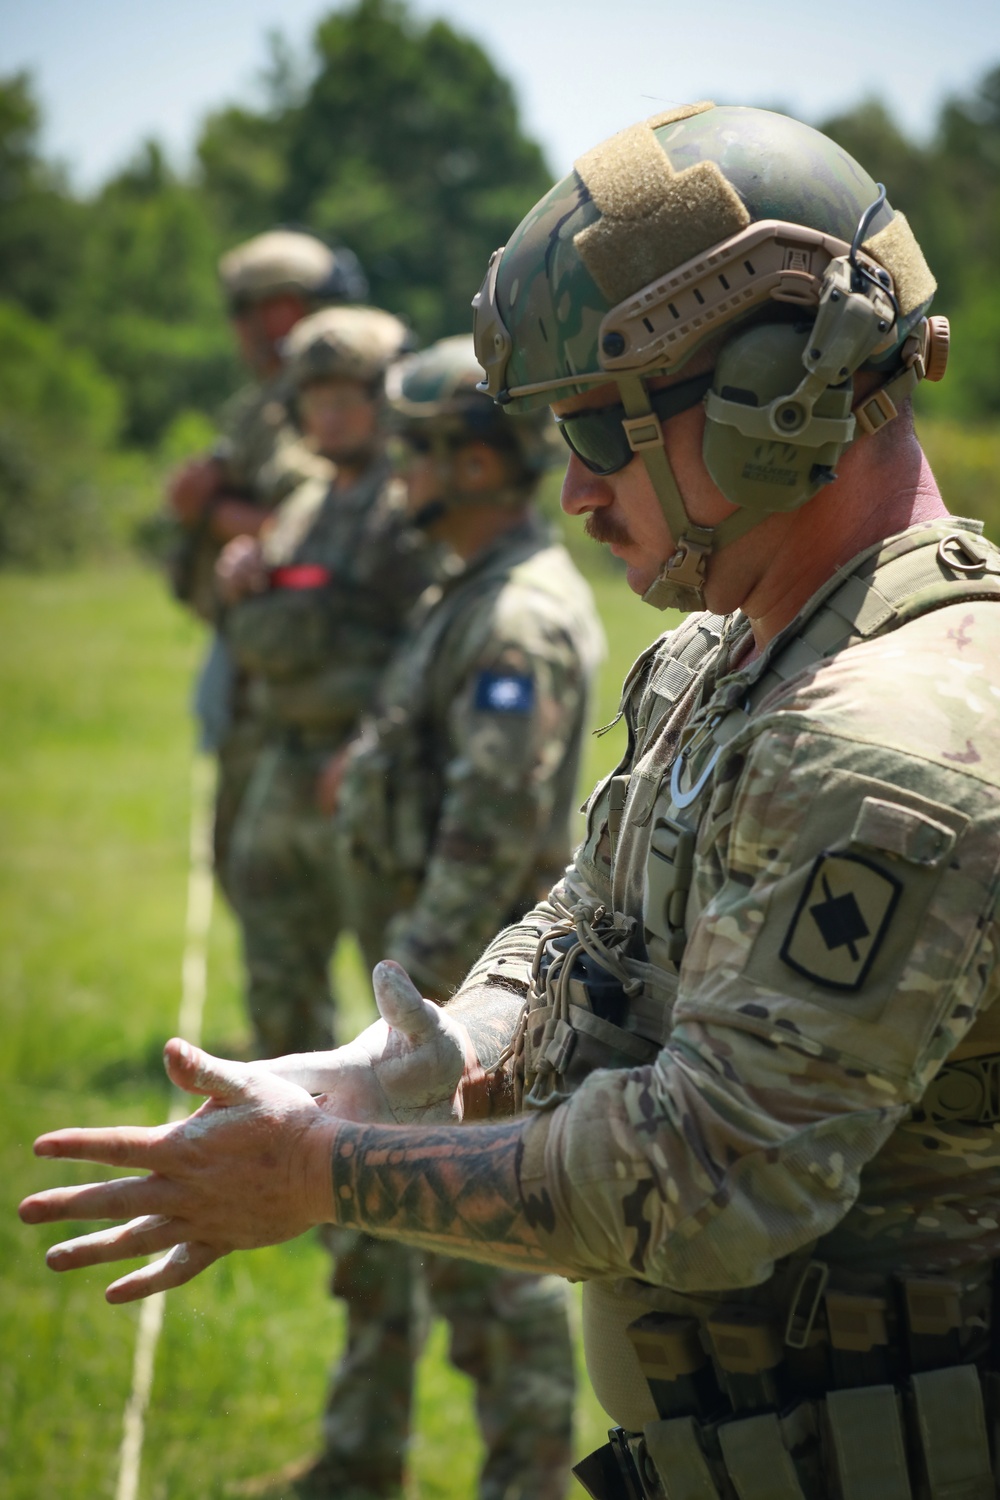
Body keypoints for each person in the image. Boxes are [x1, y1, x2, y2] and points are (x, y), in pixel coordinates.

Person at [21, 103, 1000, 1500]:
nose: (578, 489)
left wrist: (327, 1173)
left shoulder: (888, 742)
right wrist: (415, 1061)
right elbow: (585, 921)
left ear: (785, 385)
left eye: (602, 425)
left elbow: (709, 1180)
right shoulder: (728, 658)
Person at [304, 333, 604, 1500]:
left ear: (477, 465)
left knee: (497, 1274)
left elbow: (487, 836)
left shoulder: (513, 620)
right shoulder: (468, 594)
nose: (396, 477)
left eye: (417, 452)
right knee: (447, 1259)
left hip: (477, 1013)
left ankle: (526, 1484)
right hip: (443, 996)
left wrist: (415, 1008)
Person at [217, 303, 437, 1059]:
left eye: (346, 399)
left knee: (400, 983)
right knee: (275, 961)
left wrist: (371, 747)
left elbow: (429, 646)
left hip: (366, 772)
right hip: (285, 760)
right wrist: (242, 574)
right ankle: (283, 1122)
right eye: (316, 400)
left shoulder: (408, 511)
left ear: (382, 401)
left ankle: (395, 1147)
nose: (330, 416)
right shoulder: (301, 508)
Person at [166, 229, 367, 902]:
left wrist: (211, 509)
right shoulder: (269, 403)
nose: (245, 328)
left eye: (257, 307)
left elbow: (319, 522)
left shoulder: (319, 404)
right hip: (270, 675)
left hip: (313, 685)